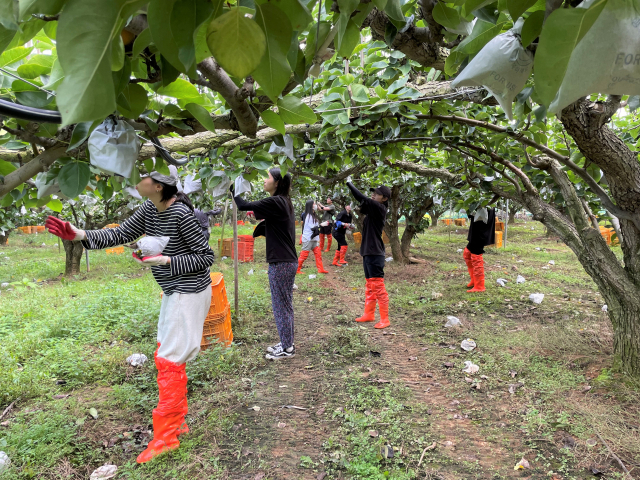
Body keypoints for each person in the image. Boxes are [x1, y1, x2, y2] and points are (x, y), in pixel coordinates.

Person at [44, 169, 215, 464]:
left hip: (188, 290)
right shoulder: (150, 208)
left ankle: (166, 438)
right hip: (174, 289)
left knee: (170, 359)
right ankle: (177, 423)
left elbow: (205, 257)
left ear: (158, 186)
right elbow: (121, 233)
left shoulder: (180, 215)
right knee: (168, 353)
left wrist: (165, 260)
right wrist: (80, 234)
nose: (137, 181)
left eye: (144, 177)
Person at [233, 168, 297, 360]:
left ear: (277, 182)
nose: (264, 180)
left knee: (281, 306)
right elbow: (260, 216)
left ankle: (287, 349)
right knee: (284, 305)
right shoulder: (281, 201)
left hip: (282, 262)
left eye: (267, 177)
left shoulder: (276, 200)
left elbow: (243, 205)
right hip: (285, 260)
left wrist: (232, 187)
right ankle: (287, 343)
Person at [346, 181, 391, 329]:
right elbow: (363, 205)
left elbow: (362, 198)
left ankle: (385, 319)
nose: (374, 194)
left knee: (377, 285)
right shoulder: (373, 210)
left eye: (377, 194)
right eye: (374, 192)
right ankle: (369, 314)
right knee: (370, 285)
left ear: (384, 198)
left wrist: (349, 183)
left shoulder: (380, 208)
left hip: (374, 253)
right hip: (368, 252)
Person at [464, 204, 497, 293]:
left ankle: (479, 286)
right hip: (476, 227)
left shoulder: (484, 199)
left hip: (480, 229)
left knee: (475, 254)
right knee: (467, 253)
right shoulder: (484, 198)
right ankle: (474, 280)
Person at [297, 200, 329, 274]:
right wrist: (322, 225)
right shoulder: (308, 216)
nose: (315, 205)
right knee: (304, 255)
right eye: (314, 204)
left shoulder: (313, 215)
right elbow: (313, 228)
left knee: (318, 254)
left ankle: (320, 269)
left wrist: (320, 225)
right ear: (311, 206)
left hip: (313, 238)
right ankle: (297, 269)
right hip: (308, 238)